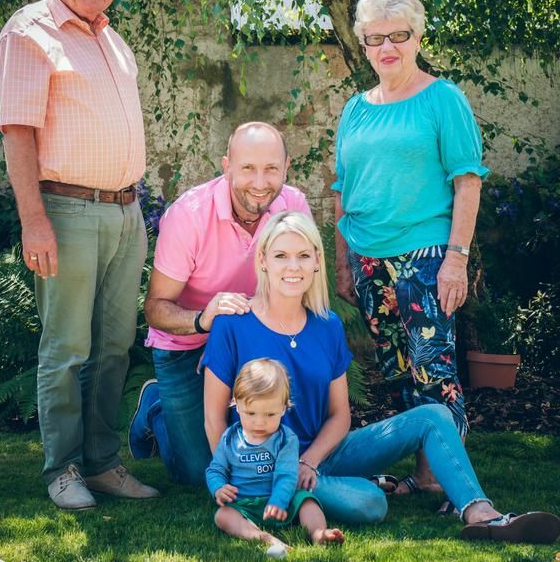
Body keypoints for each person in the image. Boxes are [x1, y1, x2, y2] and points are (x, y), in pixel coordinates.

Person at [203, 211, 560, 543]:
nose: (292, 266)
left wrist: (308, 461)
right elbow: (214, 417)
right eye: (280, 255)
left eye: (303, 255)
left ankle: (481, 513)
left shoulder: (326, 325)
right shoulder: (233, 324)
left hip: (322, 454)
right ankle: (318, 490)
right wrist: (241, 479)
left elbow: (339, 414)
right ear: (263, 260)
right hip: (263, 464)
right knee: (371, 504)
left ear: (316, 263)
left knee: (434, 415)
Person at [0, 0, 158, 510]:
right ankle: (61, 468)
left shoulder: (112, 40)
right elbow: (18, 134)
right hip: (65, 210)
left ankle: (103, 463)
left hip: (125, 212)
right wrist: (34, 221)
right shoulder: (29, 33)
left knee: (115, 347)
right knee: (66, 348)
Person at [333, 0, 489, 502]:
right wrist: (342, 265)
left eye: (397, 36)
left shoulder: (443, 99)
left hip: (425, 255)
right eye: (375, 38)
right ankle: (423, 476)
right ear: (364, 43)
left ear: (417, 37)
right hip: (368, 258)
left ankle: (446, 480)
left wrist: (456, 261)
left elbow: (468, 179)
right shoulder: (355, 109)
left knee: (433, 367)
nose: (386, 48)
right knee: (396, 370)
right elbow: (341, 192)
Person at [128, 122, 310, 484]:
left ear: (286, 168)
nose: (260, 182)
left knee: (263, 451)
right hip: (186, 344)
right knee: (197, 473)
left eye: (271, 169)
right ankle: (156, 410)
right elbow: (155, 307)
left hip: (249, 341)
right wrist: (202, 319)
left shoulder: (293, 205)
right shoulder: (188, 216)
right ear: (227, 166)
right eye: (247, 169)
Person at [206, 358, 344, 554]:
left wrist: (279, 500)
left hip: (282, 502)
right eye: (251, 413)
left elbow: (286, 474)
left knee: (307, 501)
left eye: (270, 415)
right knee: (223, 516)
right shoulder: (229, 438)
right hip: (244, 506)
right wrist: (218, 487)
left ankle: (319, 533)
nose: (260, 422)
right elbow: (216, 469)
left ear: (283, 407)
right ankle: (262, 537)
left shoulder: (285, 439)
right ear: (237, 405)